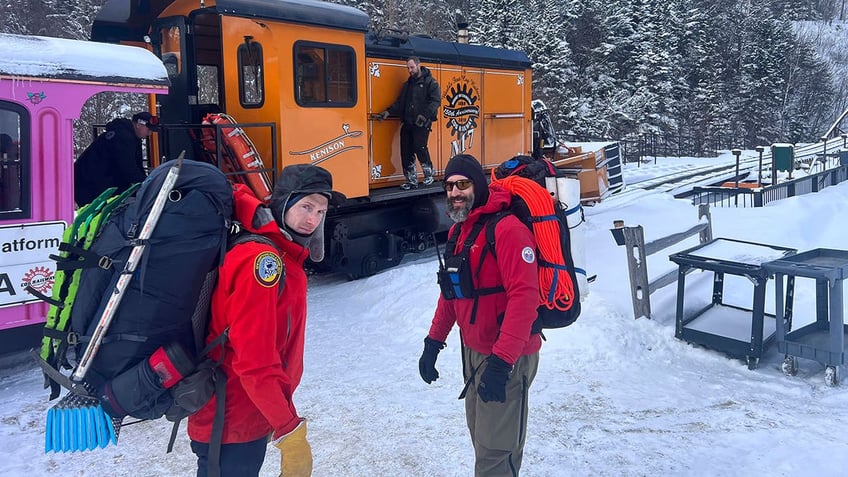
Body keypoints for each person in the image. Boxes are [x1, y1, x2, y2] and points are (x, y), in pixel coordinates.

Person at [187, 164, 345, 477]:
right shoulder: (263, 263)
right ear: (283, 203)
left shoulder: (282, 255)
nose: (312, 219)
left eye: (321, 211)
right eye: (306, 207)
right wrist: (289, 431)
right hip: (232, 418)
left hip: (245, 414)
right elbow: (255, 362)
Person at [418, 154, 541, 476]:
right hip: (474, 351)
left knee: (497, 452)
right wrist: (433, 343)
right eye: (449, 186)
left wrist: (501, 363)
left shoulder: (508, 230)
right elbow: (452, 293)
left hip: (507, 356)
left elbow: (525, 298)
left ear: (480, 186)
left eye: (463, 184)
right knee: (482, 439)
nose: (455, 192)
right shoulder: (461, 232)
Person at [378, 56, 441, 190]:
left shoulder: (431, 83)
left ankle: (429, 174)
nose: (410, 70)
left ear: (418, 65)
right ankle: (411, 179)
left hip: (422, 123)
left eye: (412, 67)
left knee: (420, 147)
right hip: (408, 122)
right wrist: (388, 112)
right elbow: (400, 102)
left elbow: (435, 102)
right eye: (408, 68)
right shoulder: (407, 85)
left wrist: (424, 116)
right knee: (406, 151)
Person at [73, 111, 159, 206]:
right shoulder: (123, 137)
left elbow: (136, 168)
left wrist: (146, 183)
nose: (150, 133)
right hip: (88, 185)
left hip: (97, 183)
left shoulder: (132, 137)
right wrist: (148, 185)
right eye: (148, 130)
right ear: (139, 125)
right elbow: (128, 169)